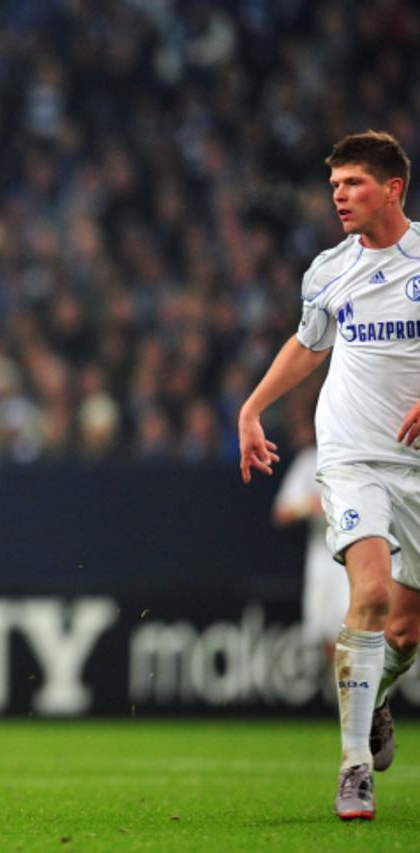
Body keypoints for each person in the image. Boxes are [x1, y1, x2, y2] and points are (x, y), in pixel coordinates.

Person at [239, 130, 420, 821]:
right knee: (369, 592)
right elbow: (308, 344)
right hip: (350, 453)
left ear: (392, 188)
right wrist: (254, 406)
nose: (339, 195)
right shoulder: (330, 269)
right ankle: (353, 768)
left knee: (405, 632)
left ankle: (372, 698)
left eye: (353, 184)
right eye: (335, 184)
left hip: (417, 465)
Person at [271, 420, 349, 666]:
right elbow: (281, 513)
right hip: (322, 557)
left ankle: (366, 696)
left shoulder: (359, 458)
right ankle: (349, 699)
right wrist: (309, 506)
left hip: (355, 554)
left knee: (359, 629)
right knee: (327, 631)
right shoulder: (308, 461)